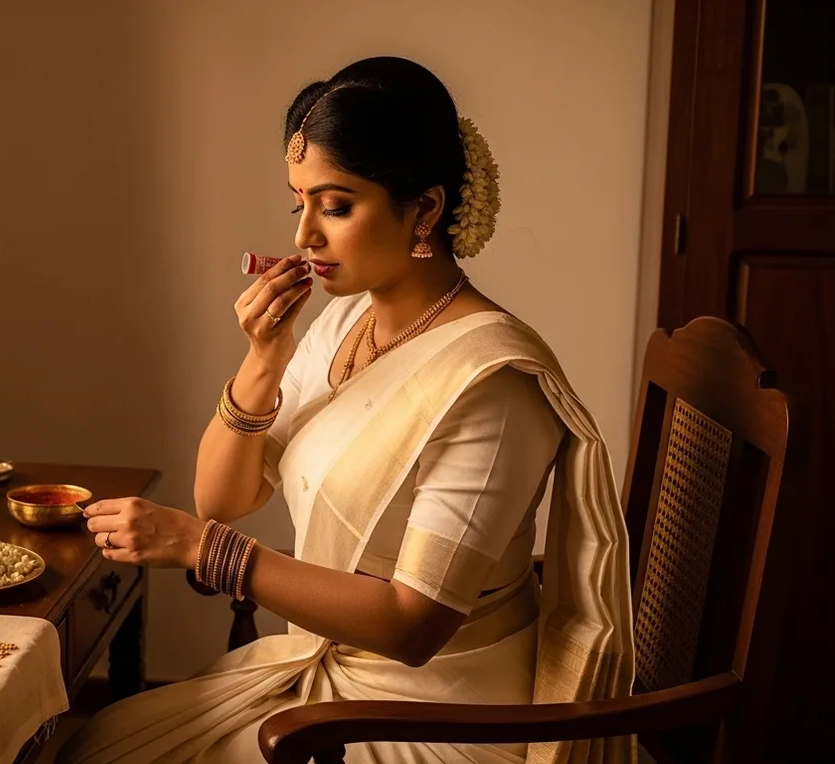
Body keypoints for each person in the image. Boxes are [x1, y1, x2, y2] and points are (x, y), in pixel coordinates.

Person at [59, 56, 634, 764]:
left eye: (334, 206)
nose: (304, 236)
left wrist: (201, 550)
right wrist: (263, 360)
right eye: (297, 203)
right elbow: (222, 496)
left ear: (424, 209)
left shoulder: (490, 383)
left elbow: (412, 626)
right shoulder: (345, 324)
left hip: (439, 713)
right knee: (96, 745)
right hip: (334, 675)